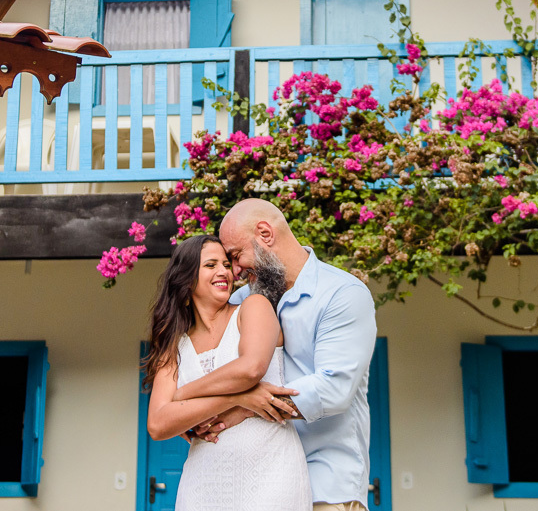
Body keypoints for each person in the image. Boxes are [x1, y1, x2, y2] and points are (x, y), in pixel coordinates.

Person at [174, 199, 378, 511]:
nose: (235, 270)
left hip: (324, 485)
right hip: (257, 487)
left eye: (235, 256)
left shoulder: (342, 294)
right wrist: (195, 416)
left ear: (266, 234)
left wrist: (243, 407)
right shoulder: (242, 301)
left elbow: (334, 390)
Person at [143, 234, 313, 510]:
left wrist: (183, 395)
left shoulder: (253, 308)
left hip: (272, 473)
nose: (224, 271)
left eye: (225, 264)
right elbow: (158, 424)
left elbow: (250, 369)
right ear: (187, 279)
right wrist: (238, 399)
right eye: (210, 265)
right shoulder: (174, 344)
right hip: (203, 482)